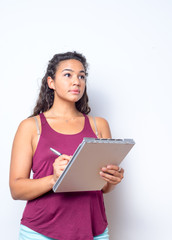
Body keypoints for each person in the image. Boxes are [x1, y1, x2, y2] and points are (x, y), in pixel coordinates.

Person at [9, 51, 124, 240]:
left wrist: (112, 179)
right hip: (40, 233)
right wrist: (53, 179)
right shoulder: (31, 127)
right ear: (51, 82)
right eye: (68, 75)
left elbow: (103, 187)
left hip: (93, 231)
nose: (77, 81)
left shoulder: (99, 125)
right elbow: (16, 189)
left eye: (81, 76)